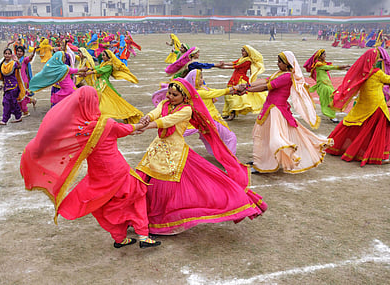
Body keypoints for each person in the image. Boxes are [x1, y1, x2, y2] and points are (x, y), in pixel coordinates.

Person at [20, 86, 161, 249]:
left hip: (97, 173)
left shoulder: (79, 129)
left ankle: (120, 237)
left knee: (102, 203)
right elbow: (128, 129)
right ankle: (143, 235)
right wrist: (140, 125)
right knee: (136, 195)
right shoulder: (106, 123)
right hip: (117, 170)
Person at [136, 78, 267, 235]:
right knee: (143, 180)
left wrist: (144, 126)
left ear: (184, 97)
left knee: (166, 187)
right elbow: (156, 113)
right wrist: (146, 118)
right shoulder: (165, 104)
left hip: (175, 152)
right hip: (157, 149)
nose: (169, 96)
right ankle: (139, 216)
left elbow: (167, 121)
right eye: (169, 93)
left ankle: (160, 222)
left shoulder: (186, 110)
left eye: (174, 94)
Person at [243, 51, 333, 174]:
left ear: (287, 64)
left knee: (269, 136)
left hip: (276, 111)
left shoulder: (287, 76)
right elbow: (264, 81)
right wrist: (247, 85)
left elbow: (266, 87)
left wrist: (246, 90)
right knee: (263, 135)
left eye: (280, 62)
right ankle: (261, 161)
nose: (277, 64)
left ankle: (263, 164)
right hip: (270, 108)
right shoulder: (279, 73)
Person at [326, 48, 390, 165]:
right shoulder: (378, 73)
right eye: (377, 58)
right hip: (377, 105)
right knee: (379, 129)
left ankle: (341, 147)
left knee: (356, 125)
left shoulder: (362, 72)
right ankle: (379, 155)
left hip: (364, 103)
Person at [85, 49, 143, 123]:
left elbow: (101, 70)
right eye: (102, 55)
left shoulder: (109, 65)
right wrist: (90, 68)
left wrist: (90, 72)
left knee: (107, 100)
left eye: (104, 55)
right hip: (99, 83)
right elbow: (98, 67)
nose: (102, 57)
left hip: (104, 84)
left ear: (108, 57)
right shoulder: (104, 63)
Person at [220, 45, 267, 120]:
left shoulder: (248, 60)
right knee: (228, 95)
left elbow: (236, 66)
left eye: (244, 51)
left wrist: (223, 66)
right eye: (242, 51)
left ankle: (232, 113)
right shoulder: (242, 59)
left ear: (248, 52)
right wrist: (224, 64)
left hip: (240, 79)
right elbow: (234, 63)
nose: (242, 52)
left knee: (233, 96)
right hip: (235, 78)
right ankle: (228, 112)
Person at [304, 49, 350, 123]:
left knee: (331, 98)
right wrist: (343, 66)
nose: (325, 56)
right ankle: (331, 115)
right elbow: (331, 67)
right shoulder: (319, 64)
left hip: (326, 84)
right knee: (332, 97)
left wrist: (344, 68)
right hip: (323, 86)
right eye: (324, 55)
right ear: (320, 56)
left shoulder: (322, 64)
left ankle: (331, 114)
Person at [14, 45, 37, 116]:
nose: (19, 53)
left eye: (21, 51)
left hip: (24, 82)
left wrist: (34, 51)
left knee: (22, 97)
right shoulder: (14, 60)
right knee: (18, 96)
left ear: (23, 53)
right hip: (16, 81)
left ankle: (25, 111)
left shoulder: (24, 60)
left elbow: (30, 57)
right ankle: (31, 101)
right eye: (18, 51)